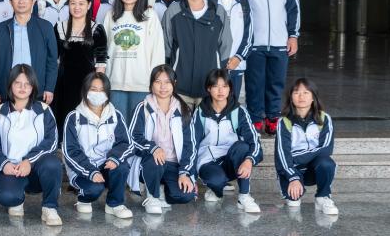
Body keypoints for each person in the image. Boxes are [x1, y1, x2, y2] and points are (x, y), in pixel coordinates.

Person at [0, 64, 62, 226]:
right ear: (10, 85)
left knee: (52, 163)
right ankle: (17, 198)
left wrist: (29, 161)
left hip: (37, 168)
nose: (22, 88)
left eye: (27, 84)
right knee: (8, 197)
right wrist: (4, 164)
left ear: (33, 87)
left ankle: (49, 207)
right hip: (11, 169)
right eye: (18, 83)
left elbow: (51, 142)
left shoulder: (44, 110)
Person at [238, 0, 301, 135]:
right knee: (254, 83)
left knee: (276, 82)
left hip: (279, 42)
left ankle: (273, 117)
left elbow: (293, 10)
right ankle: (256, 118)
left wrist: (293, 36)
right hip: (253, 44)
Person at [125, 65, 197, 215]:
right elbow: (133, 137)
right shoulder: (142, 107)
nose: (163, 87)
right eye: (158, 82)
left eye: (167, 82)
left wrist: (184, 172)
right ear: (151, 84)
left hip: (174, 164)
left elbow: (190, 145)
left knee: (186, 195)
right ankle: (152, 196)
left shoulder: (184, 109)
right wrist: (153, 148)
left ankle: (161, 190)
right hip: (149, 162)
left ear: (174, 84)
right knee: (154, 161)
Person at [62, 71, 134, 219]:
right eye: (93, 89)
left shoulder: (115, 116)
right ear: (85, 91)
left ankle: (115, 204)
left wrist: (114, 158)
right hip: (82, 169)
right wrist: (91, 172)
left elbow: (126, 143)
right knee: (94, 189)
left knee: (122, 166)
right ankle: (83, 198)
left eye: (102, 90)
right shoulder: (74, 117)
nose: (97, 94)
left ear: (107, 93)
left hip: (106, 164)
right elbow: (70, 151)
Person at [194, 69, 263, 213]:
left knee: (242, 147)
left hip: (231, 160)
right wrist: (190, 175)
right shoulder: (200, 112)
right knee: (216, 181)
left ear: (230, 88)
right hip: (208, 160)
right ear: (208, 88)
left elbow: (254, 141)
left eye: (224, 86)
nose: (220, 91)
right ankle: (216, 187)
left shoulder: (238, 111)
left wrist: (249, 160)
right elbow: (192, 143)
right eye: (216, 86)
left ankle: (244, 196)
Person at [162, 0, 232, 107]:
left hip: (210, 86)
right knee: (180, 120)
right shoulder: (173, 10)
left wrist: (220, 74)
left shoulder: (218, 11)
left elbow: (225, 43)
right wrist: (169, 75)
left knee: (207, 120)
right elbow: (166, 44)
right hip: (179, 84)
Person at [103, 0, 164, 122]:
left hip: (142, 82)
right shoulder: (111, 15)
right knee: (118, 125)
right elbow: (103, 47)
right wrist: (102, 75)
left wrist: (156, 80)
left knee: (139, 126)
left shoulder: (149, 15)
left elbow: (157, 49)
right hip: (115, 80)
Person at [275, 78, 338, 215]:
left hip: (313, 168)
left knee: (327, 163)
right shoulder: (284, 122)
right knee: (293, 202)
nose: (301, 96)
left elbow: (326, 149)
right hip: (292, 169)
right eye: (296, 92)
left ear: (313, 97)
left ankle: (323, 197)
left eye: (306, 92)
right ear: (291, 98)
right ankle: (292, 185)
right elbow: (282, 155)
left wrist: (295, 158)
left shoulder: (324, 118)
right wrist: (293, 177)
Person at [52, 0, 107, 133]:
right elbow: (53, 58)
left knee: (86, 120)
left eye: (81, 4)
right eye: (73, 3)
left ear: (89, 5)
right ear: (68, 5)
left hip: (87, 83)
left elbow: (101, 62)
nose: (77, 7)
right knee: (64, 117)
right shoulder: (59, 27)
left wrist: (96, 89)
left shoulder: (97, 29)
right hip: (63, 83)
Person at [0, 0, 58, 106]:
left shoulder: (45, 27)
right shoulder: (1, 29)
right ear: (11, 2)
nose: (21, 1)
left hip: (36, 87)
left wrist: (49, 88)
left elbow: (52, 61)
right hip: (8, 87)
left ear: (33, 1)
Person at [208, 0, 252, 107]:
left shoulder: (242, 0)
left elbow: (249, 33)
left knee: (233, 102)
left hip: (236, 63)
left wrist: (238, 57)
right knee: (212, 102)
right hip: (212, 63)